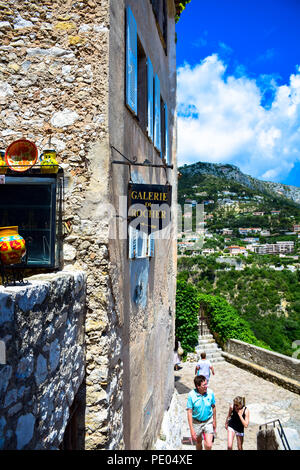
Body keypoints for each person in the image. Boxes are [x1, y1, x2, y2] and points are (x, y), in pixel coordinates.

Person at [186, 375, 217, 450]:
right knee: (198, 443)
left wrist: (214, 420)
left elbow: (213, 407)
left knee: (209, 445)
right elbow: (189, 412)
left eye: (206, 384)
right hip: (196, 423)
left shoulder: (210, 393)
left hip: (208, 421)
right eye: (204, 385)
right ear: (198, 386)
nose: (206, 386)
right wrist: (191, 430)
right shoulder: (191, 395)